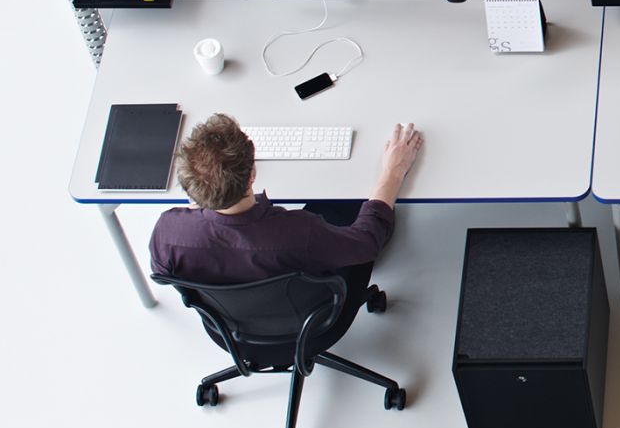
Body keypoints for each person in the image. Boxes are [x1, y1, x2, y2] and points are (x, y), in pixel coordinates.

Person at [150, 115, 422, 308]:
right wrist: (393, 172)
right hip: (313, 316)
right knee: (344, 203)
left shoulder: (168, 233)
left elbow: (167, 275)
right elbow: (366, 243)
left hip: (236, 328)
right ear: (253, 173)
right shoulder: (298, 231)